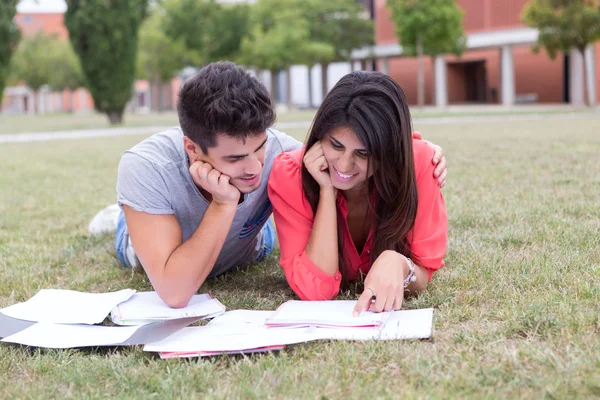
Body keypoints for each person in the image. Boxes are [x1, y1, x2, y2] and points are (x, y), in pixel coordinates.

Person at [89, 62, 447, 308]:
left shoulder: (284, 156)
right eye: (234, 159)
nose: (254, 168)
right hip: (160, 243)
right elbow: (174, 292)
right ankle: (120, 214)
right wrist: (223, 203)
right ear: (193, 149)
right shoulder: (146, 167)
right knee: (130, 241)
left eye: (260, 148)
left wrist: (416, 150)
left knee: (265, 235)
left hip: (252, 242)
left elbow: (358, 146)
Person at [268, 71, 448, 316]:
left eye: (363, 154)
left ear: (389, 151)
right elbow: (315, 292)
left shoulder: (421, 164)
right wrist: (327, 192)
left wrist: (401, 265)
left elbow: (425, 270)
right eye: (336, 145)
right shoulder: (290, 174)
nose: (343, 165)